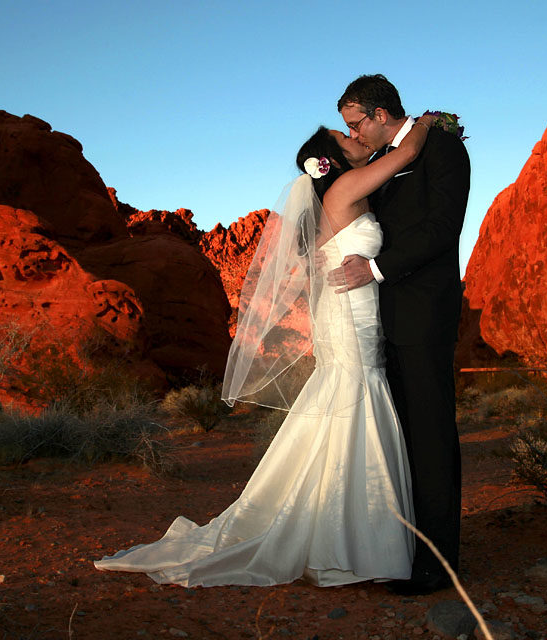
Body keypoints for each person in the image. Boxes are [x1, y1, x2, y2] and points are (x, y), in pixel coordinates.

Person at [94, 114, 436, 587]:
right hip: (349, 315)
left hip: (348, 312)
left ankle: (340, 533)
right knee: (354, 396)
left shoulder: (339, 194)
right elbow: (410, 152)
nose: (355, 138)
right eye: (344, 136)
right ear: (331, 161)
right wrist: (428, 120)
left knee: (346, 399)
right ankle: (350, 542)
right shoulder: (347, 187)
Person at [331, 74, 470, 595]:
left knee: (431, 438)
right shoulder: (384, 159)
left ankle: (439, 566)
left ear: (381, 113)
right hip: (382, 321)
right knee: (404, 439)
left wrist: (377, 270)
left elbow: (442, 228)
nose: (355, 134)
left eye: (356, 124)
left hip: (424, 314)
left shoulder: (442, 146)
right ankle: (407, 548)